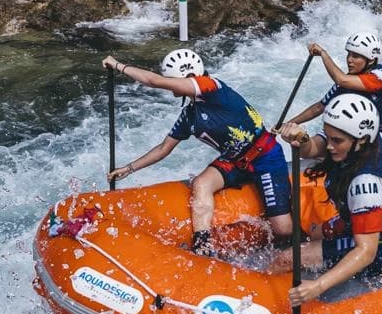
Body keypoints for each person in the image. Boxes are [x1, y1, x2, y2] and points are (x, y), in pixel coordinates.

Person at [102, 49, 293, 255]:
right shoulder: (189, 115)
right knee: (201, 183)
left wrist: (118, 65)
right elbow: (163, 148)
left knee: (282, 228)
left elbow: (153, 81)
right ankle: (203, 245)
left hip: (264, 155)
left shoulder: (212, 87)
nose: (170, 85)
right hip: (235, 160)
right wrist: (128, 169)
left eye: (173, 80)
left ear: (190, 77)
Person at [274, 94, 382, 306]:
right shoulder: (370, 139)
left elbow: (366, 252)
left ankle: (268, 304)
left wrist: (318, 285)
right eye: (329, 137)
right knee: (316, 231)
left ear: (360, 139)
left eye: (337, 141)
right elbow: (313, 149)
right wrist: (303, 140)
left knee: (286, 259)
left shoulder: (366, 184)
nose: (330, 146)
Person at [282, 32, 382, 167]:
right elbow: (319, 107)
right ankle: (303, 140)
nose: (349, 60)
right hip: (359, 133)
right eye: (349, 54)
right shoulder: (347, 82)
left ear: (371, 60)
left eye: (355, 56)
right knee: (308, 150)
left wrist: (323, 54)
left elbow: (341, 79)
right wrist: (288, 124)